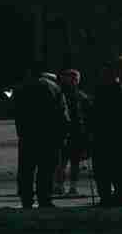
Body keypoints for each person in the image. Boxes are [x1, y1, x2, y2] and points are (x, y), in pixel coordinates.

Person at [14, 68, 69, 209]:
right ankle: (45, 198)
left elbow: (16, 112)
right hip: (49, 135)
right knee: (46, 169)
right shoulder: (55, 88)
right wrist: (63, 134)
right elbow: (62, 113)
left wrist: (21, 132)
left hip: (28, 135)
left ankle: (26, 199)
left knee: (26, 169)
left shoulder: (22, 88)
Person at [90, 56, 122, 207]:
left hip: (105, 137)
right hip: (117, 137)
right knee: (116, 171)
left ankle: (109, 198)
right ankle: (118, 197)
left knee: (106, 172)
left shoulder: (101, 91)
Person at [54, 69, 90, 197]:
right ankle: (60, 186)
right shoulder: (62, 94)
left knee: (73, 162)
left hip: (76, 133)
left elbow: (87, 116)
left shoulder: (81, 96)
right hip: (67, 132)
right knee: (62, 162)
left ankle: (71, 187)